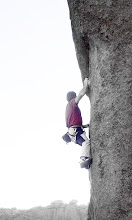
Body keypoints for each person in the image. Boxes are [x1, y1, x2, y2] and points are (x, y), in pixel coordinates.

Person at [62, 78, 92, 169]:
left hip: (72, 132)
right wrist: (85, 85)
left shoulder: (68, 109)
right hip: (75, 131)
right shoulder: (72, 103)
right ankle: (83, 159)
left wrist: (85, 126)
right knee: (86, 142)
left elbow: (73, 122)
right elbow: (81, 94)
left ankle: (87, 162)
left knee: (86, 145)